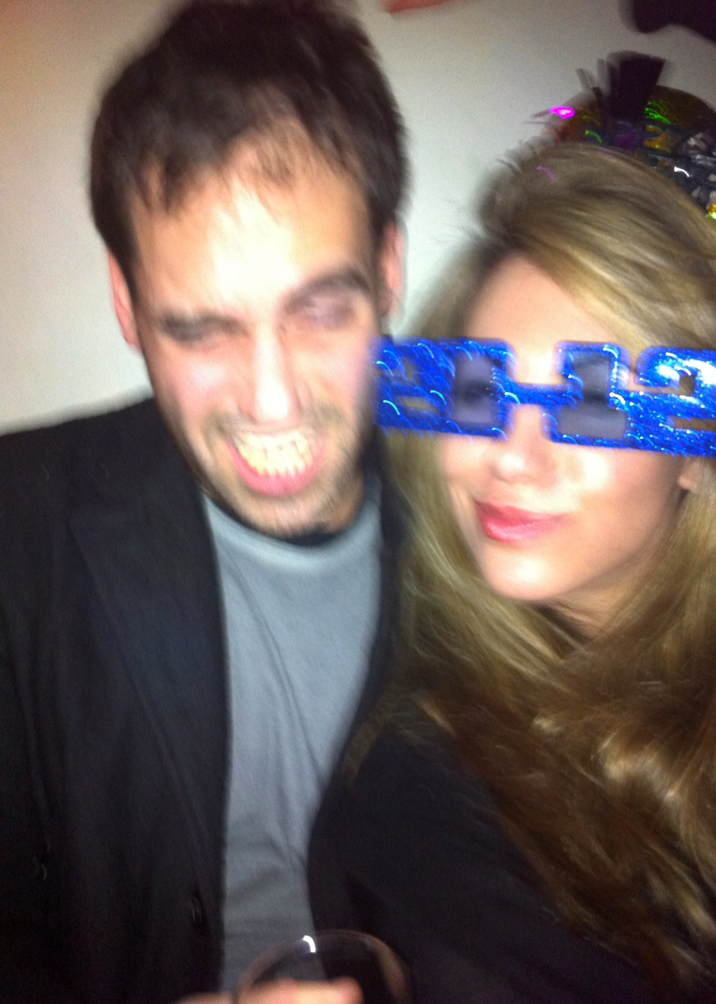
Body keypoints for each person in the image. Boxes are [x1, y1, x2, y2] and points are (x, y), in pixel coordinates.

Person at [0, 2, 407, 1001]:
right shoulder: (17, 528)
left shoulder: (489, 526)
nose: (272, 400)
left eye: (320, 310)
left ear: (390, 273)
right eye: (201, 330)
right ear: (127, 307)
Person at [309, 144, 716, 1003]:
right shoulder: (426, 790)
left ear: (699, 452)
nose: (513, 458)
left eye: (594, 400)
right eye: (480, 390)